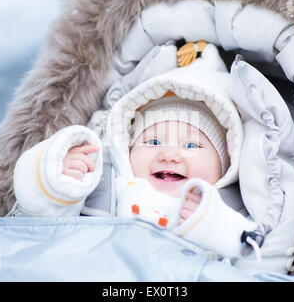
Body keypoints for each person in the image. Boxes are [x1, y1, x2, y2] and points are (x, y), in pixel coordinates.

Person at [13, 42, 260, 260]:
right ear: (126, 149)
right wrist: (58, 179)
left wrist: (208, 223)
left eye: (191, 146)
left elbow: (248, 250)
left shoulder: (228, 209)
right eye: (152, 142)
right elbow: (37, 220)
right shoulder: (105, 186)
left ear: (227, 161)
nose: (169, 155)